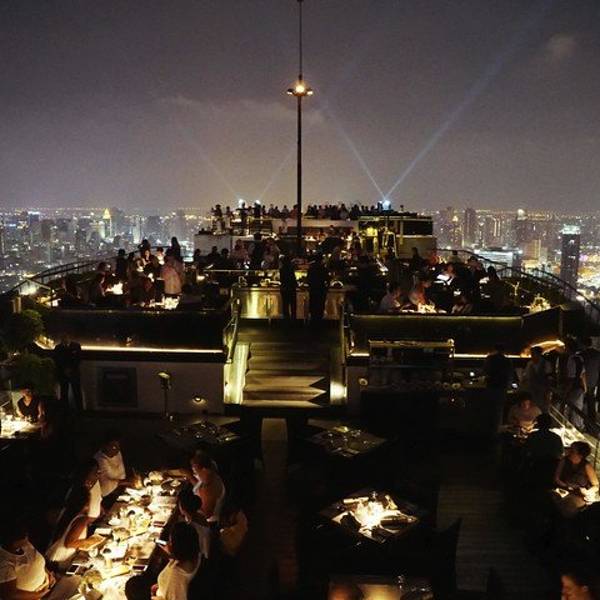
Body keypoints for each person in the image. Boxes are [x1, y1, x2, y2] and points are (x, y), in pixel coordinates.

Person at [0, 519, 56, 599]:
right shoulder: (4, 562)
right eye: (25, 536)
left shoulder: (25, 545)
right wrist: (40, 594)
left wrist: (48, 573)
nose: (27, 538)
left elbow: (36, 561)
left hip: (46, 587)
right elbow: (11, 595)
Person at [46, 487, 95, 570]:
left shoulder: (67, 513)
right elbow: (69, 544)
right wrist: (90, 541)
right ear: (86, 503)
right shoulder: (81, 520)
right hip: (61, 560)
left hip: (53, 555)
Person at [152, 522, 200, 600]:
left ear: (178, 548)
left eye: (170, 542)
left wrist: (156, 598)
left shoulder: (175, 579)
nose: (168, 544)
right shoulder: (197, 555)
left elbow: (175, 590)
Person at [554, 442, 600, 518]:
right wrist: (567, 486)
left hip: (579, 494)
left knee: (568, 506)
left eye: (572, 450)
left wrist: (588, 492)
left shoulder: (586, 466)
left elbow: (596, 485)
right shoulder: (564, 461)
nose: (568, 451)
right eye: (569, 449)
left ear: (580, 455)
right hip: (563, 489)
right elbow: (556, 478)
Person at [484, 344, 515, 437]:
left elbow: (486, 371)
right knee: (499, 410)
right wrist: (508, 386)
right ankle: (496, 431)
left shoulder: (490, 359)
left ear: (495, 349)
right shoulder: (507, 361)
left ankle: (488, 430)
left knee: (489, 409)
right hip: (502, 387)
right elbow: (510, 375)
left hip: (491, 386)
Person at [188, 450, 226, 522]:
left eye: (195, 470)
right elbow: (198, 487)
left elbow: (206, 515)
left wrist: (187, 509)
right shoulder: (211, 475)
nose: (194, 472)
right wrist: (188, 475)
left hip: (209, 522)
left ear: (204, 469)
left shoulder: (208, 489)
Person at [94, 430, 131, 498]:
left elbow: (122, 474)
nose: (117, 450)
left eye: (119, 446)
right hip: (106, 495)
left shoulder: (117, 453)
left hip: (119, 489)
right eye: (114, 446)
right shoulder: (99, 460)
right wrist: (125, 482)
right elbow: (105, 484)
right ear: (105, 446)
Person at [177, 490, 211, 560]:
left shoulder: (193, 528)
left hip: (200, 556)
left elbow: (203, 552)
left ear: (182, 508)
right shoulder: (199, 512)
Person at [53, 335, 83, 411]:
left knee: (75, 392)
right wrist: (68, 369)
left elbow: (78, 359)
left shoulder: (59, 347)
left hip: (69, 372)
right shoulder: (59, 347)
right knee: (65, 393)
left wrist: (66, 369)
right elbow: (57, 360)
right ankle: (67, 410)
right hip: (67, 372)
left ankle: (78, 410)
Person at [564, 338, 587, 431]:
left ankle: (574, 427)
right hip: (580, 387)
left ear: (568, 348)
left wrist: (567, 390)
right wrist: (585, 387)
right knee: (578, 407)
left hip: (574, 387)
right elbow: (583, 374)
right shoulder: (579, 358)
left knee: (571, 408)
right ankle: (579, 426)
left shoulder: (571, 359)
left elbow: (571, 378)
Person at [520, 346, 550, 411]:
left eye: (533, 354)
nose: (532, 355)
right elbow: (526, 376)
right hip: (531, 391)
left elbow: (548, 379)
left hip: (541, 391)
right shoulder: (529, 364)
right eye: (532, 354)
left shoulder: (546, 364)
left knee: (541, 408)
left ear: (539, 354)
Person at [580, 337, 600, 423]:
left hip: (583, 379)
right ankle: (592, 418)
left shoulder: (582, 354)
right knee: (591, 399)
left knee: (581, 399)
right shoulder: (598, 354)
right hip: (594, 379)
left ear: (583, 345)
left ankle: (583, 419)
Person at [307, 254, 329, 324]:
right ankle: (319, 320)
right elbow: (327, 279)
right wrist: (327, 287)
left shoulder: (311, 268)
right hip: (321, 289)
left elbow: (308, 279)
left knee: (313, 305)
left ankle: (313, 320)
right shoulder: (324, 269)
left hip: (313, 289)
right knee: (320, 305)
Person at [279, 254, 297, 320]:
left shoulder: (282, 270)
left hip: (284, 289)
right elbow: (293, 279)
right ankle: (293, 320)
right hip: (291, 289)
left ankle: (286, 320)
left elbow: (281, 280)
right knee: (293, 306)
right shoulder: (291, 269)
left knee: (285, 305)